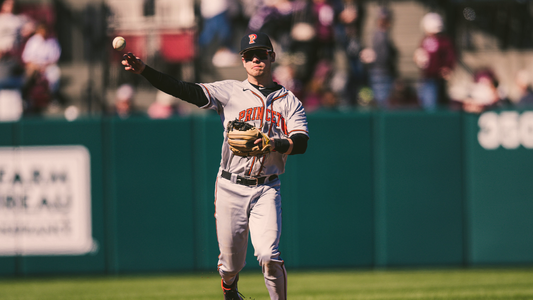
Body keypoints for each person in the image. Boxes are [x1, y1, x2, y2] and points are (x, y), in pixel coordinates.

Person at [122, 32, 309, 300]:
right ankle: (229, 286)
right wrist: (145, 71)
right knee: (230, 266)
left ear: (272, 56)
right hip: (230, 187)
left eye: (261, 54)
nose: (256, 59)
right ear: (243, 61)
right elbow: (183, 89)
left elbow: (300, 142)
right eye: (249, 55)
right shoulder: (231, 91)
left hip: (267, 188)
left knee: (268, 254)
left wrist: (274, 144)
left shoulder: (289, 102)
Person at [413, 12, 455, 111]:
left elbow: (450, 57)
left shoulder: (444, 42)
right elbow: (420, 55)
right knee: (424, 102)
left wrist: (447, 67)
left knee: (431, 105)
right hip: (426, 77)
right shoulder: (425, 40)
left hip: (435, 79)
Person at [360, 6, 397, 108]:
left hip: (381, 72)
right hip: (380, 72)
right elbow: (382, 57)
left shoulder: (383, 34)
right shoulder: (380, 35)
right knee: (382, 102)